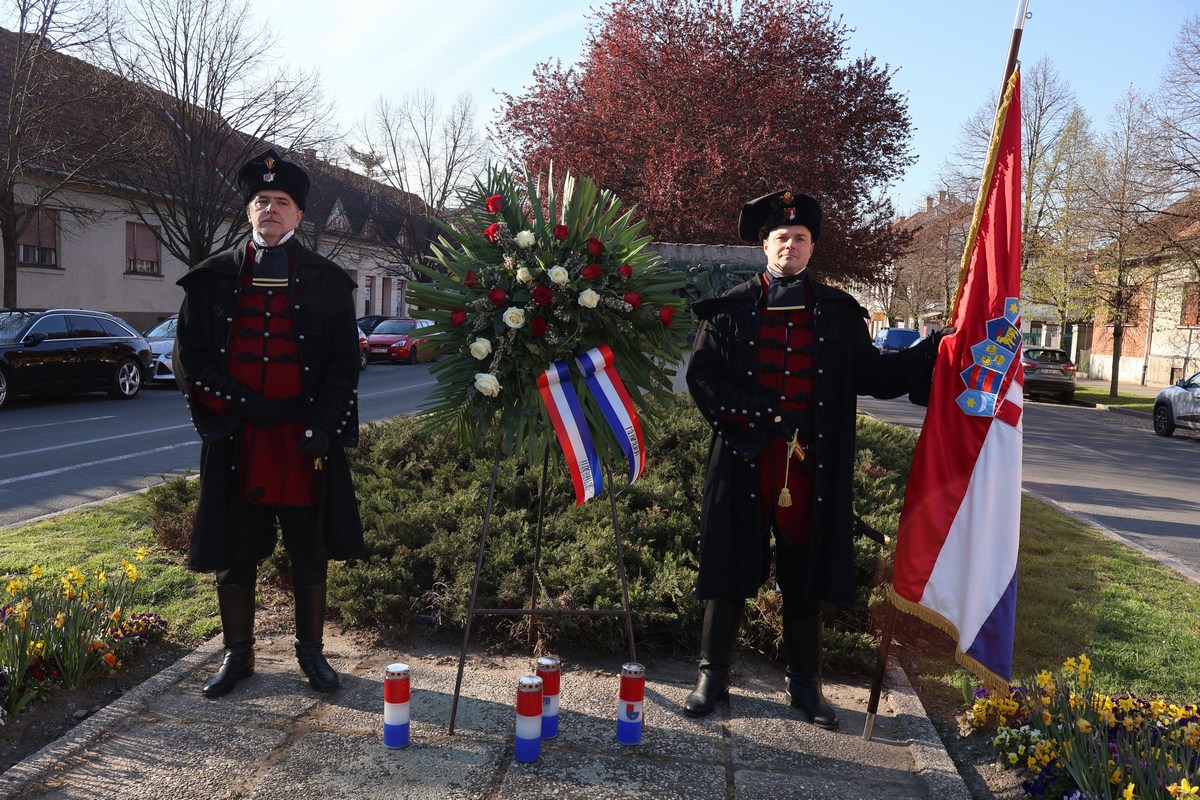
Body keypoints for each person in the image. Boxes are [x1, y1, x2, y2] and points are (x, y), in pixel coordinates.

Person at [684, 189, 946, 728]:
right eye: (782, 237)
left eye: (800, 238)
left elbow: (874, 376)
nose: (790, 246)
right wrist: (762, 417)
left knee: (804, 572)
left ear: (811, 248)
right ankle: (712, 676)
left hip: (812, 468)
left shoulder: (838, 312)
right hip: (744, 457)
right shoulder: (730, 309)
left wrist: (940, 349)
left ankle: (805, 686)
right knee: (730, 569)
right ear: (765, 246)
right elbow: (703, 380)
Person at [174, 148, 365, 698]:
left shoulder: (330, 282)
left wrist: (322, 427)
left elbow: (342, 367)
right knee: (236, 549)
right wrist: (243, 404)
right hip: (240, 436)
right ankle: (238, 656)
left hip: (304, 443)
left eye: (281, 202)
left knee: (307, 548)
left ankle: (312, 656)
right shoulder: (209, 280)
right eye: (261, 201)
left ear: (299, 215)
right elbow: (190, 360)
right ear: (248, 211)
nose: (270, 209)